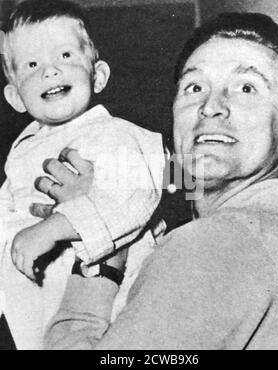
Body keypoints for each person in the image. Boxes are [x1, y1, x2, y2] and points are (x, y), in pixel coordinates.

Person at [41, 12, 278, 350]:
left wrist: (101, 229)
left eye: (245, 87)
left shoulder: (214, 243)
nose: (211, 107)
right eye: (195, 87)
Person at [0, 0, 164, 349]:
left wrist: (53, 228)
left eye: (65, 56)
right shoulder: (21, 149)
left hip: (107, 300)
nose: (50, 71)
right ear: (15, 96)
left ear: (98, 75)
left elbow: (133, 197)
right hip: (30, 305)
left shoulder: (114, 133)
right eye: (32, 64)